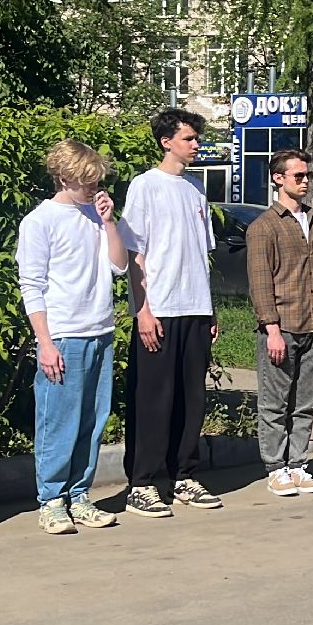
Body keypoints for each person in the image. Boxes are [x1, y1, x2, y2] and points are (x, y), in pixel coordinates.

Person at [18, 140, 128, 535]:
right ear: (64, 178)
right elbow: (31, 285)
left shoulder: (97, 216)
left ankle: (79, 495)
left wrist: (110, 222)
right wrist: (44, 342)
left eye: (96, 181)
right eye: (86, 182)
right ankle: (51, 500)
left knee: (92, 421)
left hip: (100, 329)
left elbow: (119, 265)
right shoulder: (40, 221)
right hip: (63, 334)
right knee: (57, 422)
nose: (93, 188)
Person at [117, 109, 221, 518]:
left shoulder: (196, 190)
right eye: (189, 138)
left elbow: (200, 256)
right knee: (153, 398)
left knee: (190, 398)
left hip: (194, 307)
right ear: (166, 141)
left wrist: (210, 309)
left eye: (196, 139)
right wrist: (143, 310)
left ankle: (184, 476)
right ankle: (141, 483)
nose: (196, 145)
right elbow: (133, 253)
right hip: (159, 309)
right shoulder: (145, 186)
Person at [246, 149, 313, 498]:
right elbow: (260, 282)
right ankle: (275, 467)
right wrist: (271, 328)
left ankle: (298, 463)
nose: (304, 181)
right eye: (297, 175)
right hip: (282, 326)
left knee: (304, 401)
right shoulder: (264, 227)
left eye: (307, 176)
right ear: (278, 178)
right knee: (275, 402)